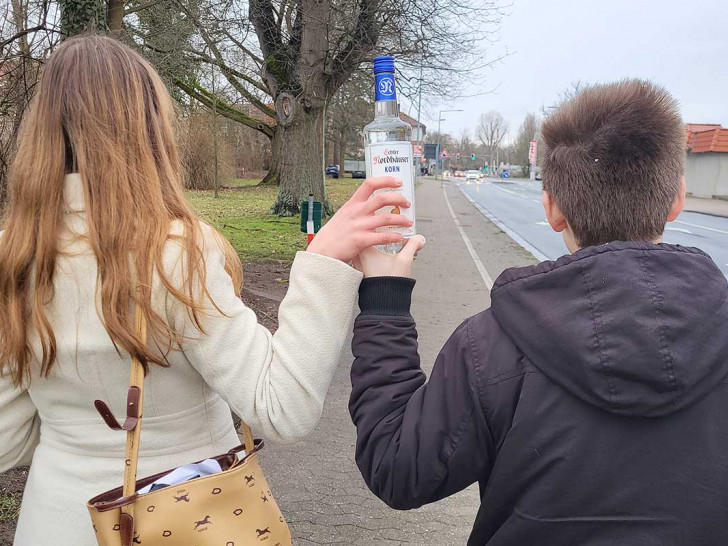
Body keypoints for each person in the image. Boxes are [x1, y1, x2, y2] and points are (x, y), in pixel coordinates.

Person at [0, 36, 411, 545]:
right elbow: (281, 407)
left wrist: (81, 433)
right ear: (146, 130)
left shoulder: (15, 257)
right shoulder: (173, 252)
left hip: (55, 523)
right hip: (184, 520)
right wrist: (324, 263)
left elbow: (7, 438)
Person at [349, 79, 728, 545]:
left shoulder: (490, 348)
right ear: (677, 199)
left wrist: (385, 304)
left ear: (552, 209)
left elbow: (398, 467)